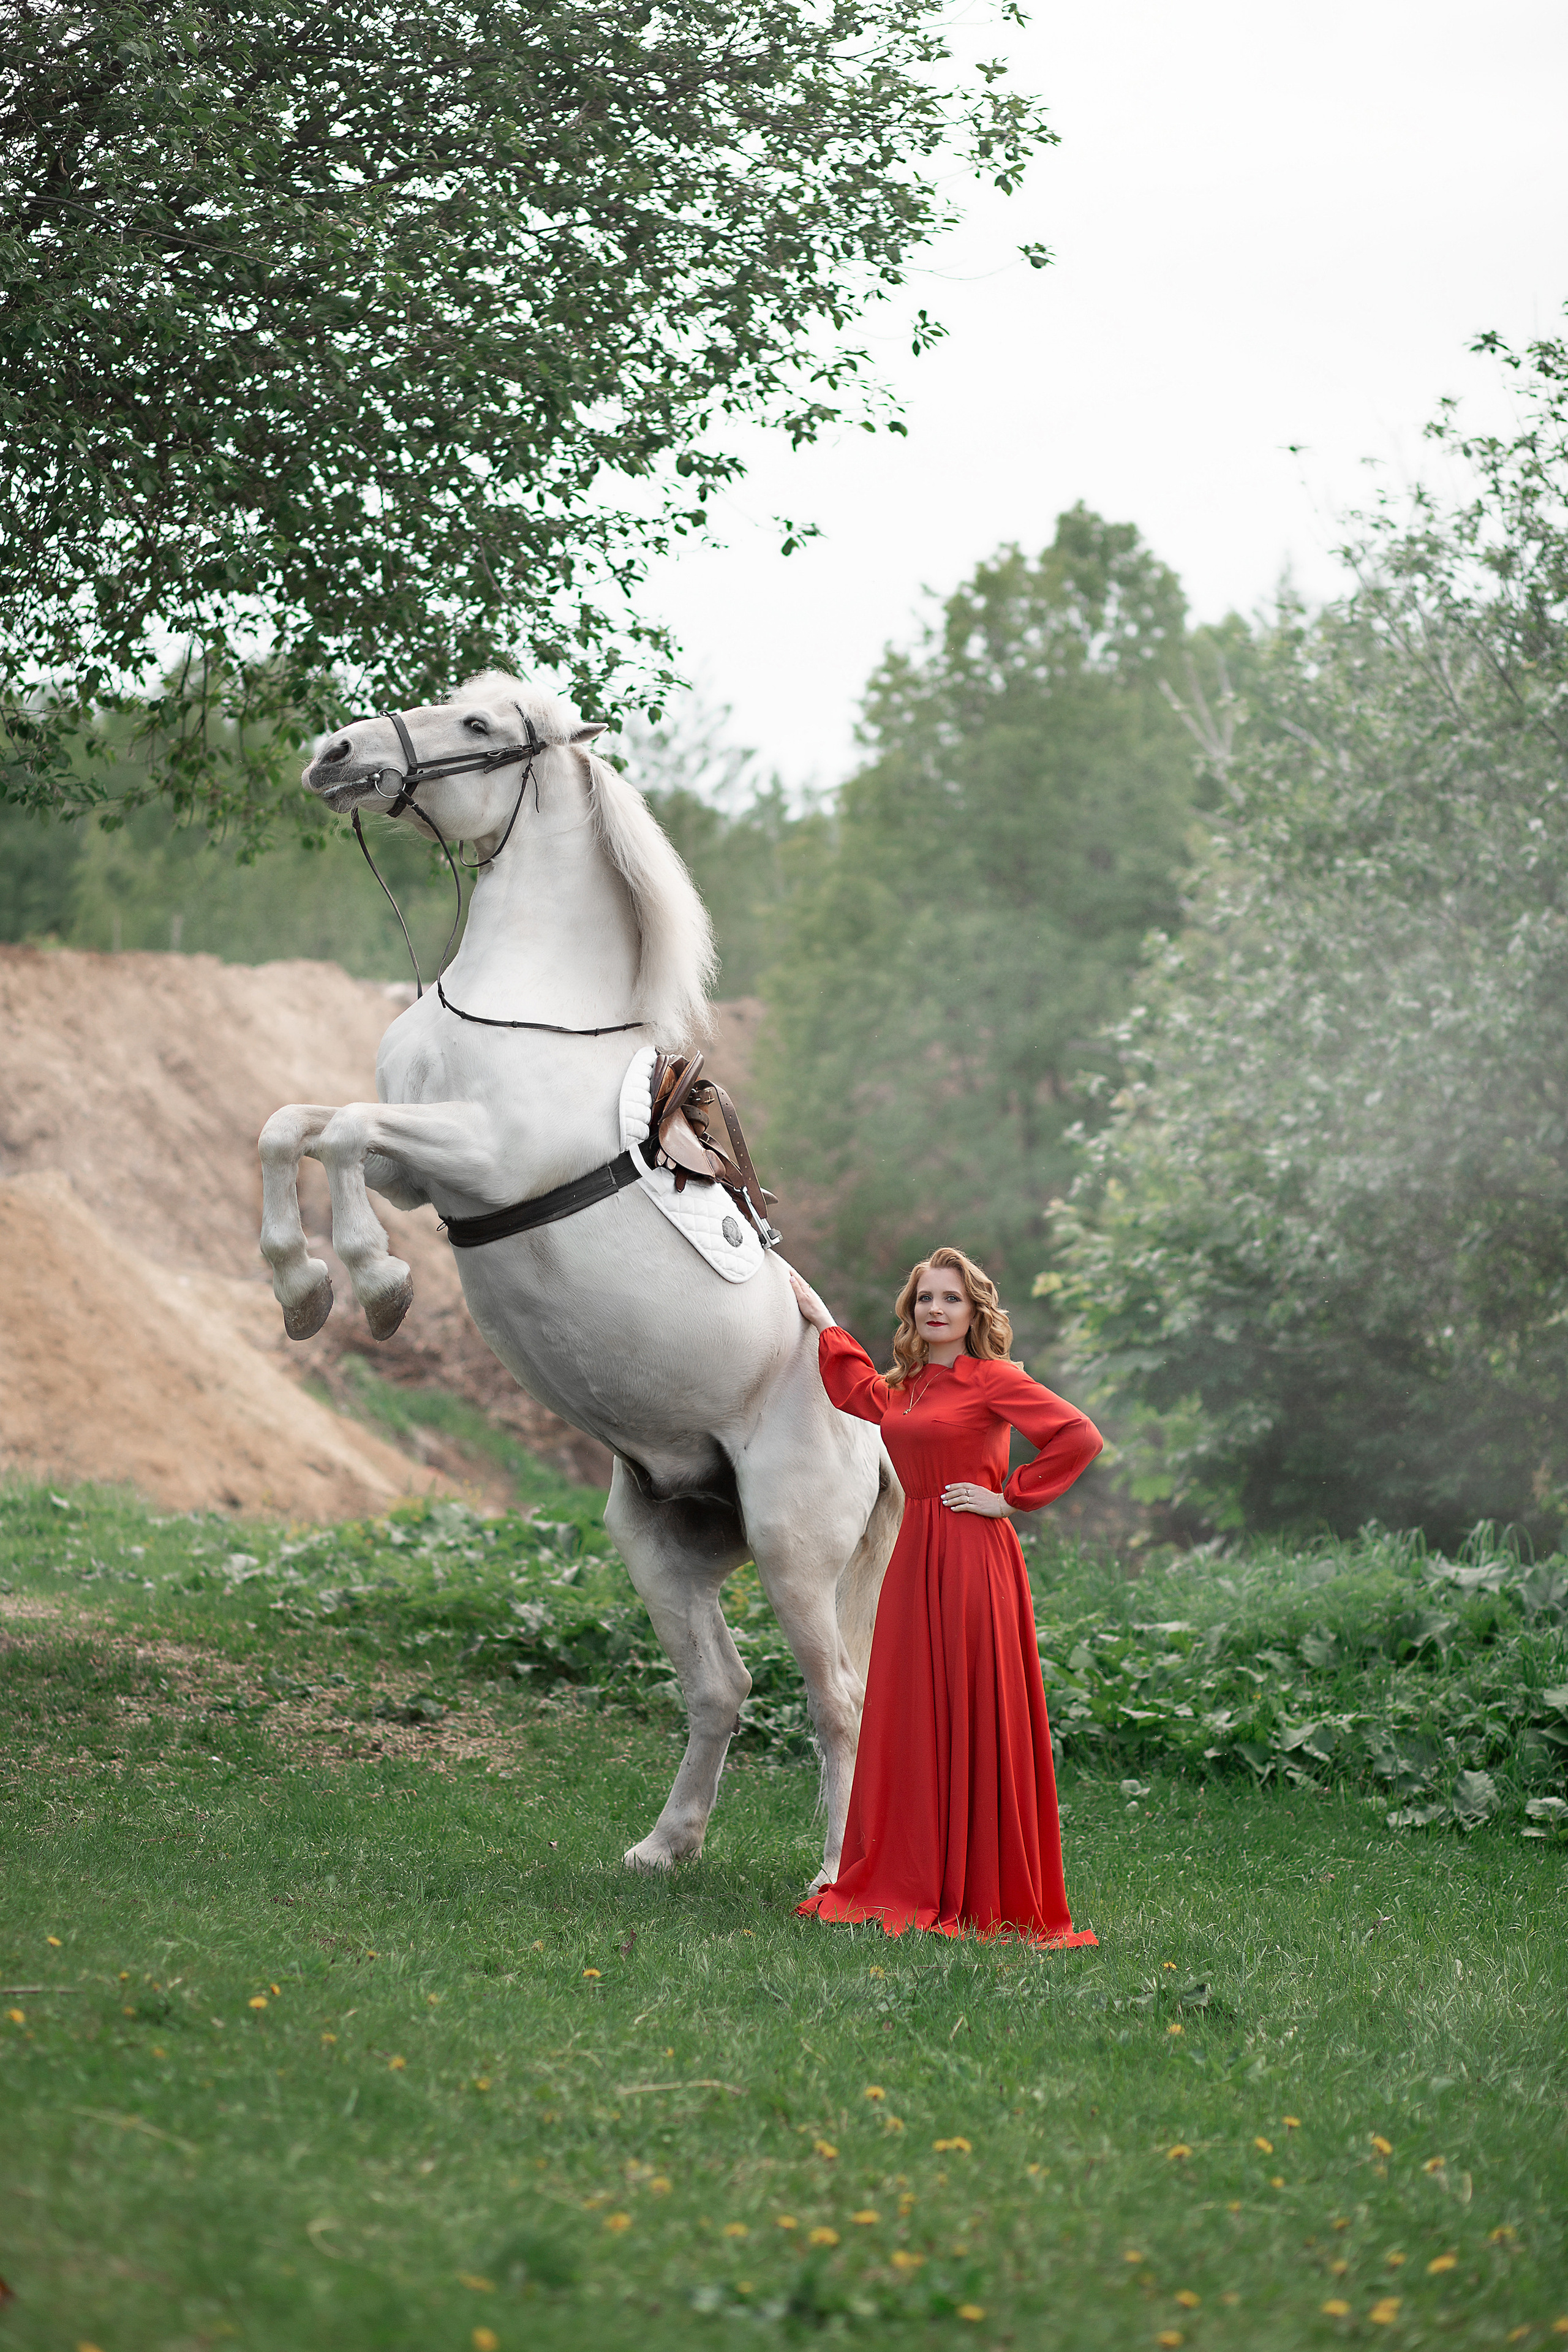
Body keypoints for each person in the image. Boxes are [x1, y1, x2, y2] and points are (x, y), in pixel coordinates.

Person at [790, 1248, 1101, 1947]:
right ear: (911, 1311)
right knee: (910, 1714)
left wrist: (1009, 1498)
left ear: (974, 1311)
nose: (935, 1309)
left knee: (971, 1704)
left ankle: (978, 1883)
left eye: (950, 1299)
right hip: (913, 1559)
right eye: (924, 1298)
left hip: (971, 1561)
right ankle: (912, 1871)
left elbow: (1077, 1436)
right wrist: (821, 1323)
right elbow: (854, 1392)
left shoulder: (993, 1380)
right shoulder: (906, 1390)